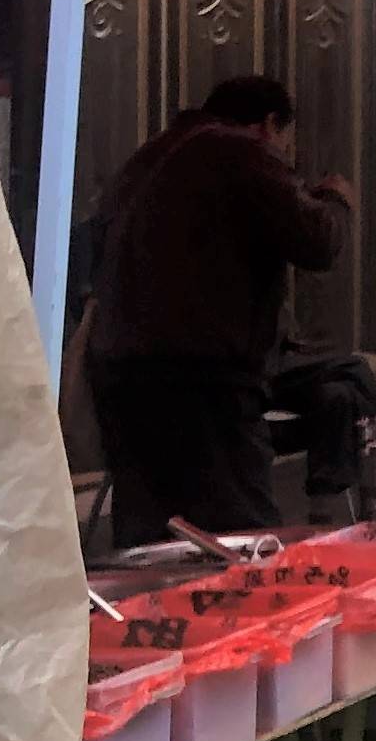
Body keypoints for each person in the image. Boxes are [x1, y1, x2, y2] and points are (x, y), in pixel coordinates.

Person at [86, 75, 353, 544]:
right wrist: (335, 199)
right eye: (286, 144)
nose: (286, 157)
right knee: (239, 536)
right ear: (270, 126)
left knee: (150, 538)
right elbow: (317, 240)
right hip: (202, 381)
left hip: (119, 379)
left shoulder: (146, 158)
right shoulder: (239, 154)